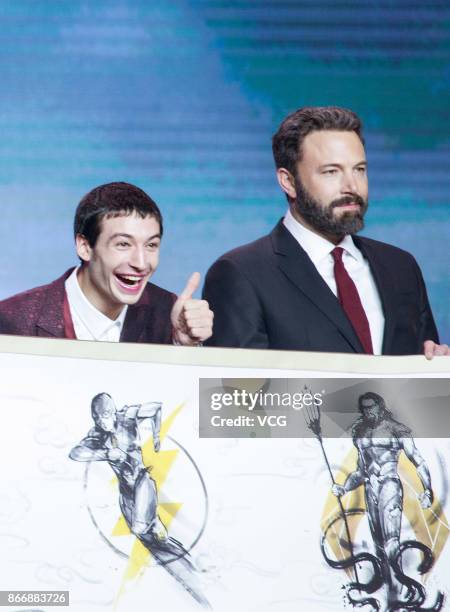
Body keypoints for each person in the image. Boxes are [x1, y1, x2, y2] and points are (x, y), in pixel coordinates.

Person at [202, 107, 448, 357]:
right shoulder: (241, 273)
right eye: (331, 172)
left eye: (359, 169)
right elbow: (236, 392)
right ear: (288, 181)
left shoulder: (400, 267)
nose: (351, 186)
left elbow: (421, 374)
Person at [0, 182, 213, 345]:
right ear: (85, 247)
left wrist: (185, 347)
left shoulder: (171, 316)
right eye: (123, 244)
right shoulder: (12, 320)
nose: (141, 263)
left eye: (151, 245)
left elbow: (209, 399)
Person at [69, 393, 209, 607]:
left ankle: (186, 565)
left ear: (112, 412)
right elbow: (76, 453)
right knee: (146, 536)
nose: (100, 422)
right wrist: (106, 453)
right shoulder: (97, 434)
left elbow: (155, 407)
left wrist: (156, 436)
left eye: (104, 416)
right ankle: (177, 557)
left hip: (142, 481)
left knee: (141, 526)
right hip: (126, 492)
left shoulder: (127, 416)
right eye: (96, 418)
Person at [332, 392, 434, 601]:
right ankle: (390, 594)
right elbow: (361, 471)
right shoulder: (360, 431)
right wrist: (344, 488)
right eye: (364, 408)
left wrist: (428, 489)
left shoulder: (396, 429)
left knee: (390, 541)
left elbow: (418, 460)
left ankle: (401, 590)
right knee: (379, 544)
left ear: (380, 406)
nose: (368, 411)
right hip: (370, 487)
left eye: (371, 407)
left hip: (389, 485)